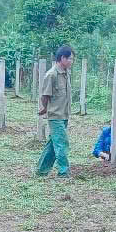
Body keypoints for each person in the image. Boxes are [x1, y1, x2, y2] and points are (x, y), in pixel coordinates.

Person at [36, 45, 74, 178]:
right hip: (55, 116)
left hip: (64, 115)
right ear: (62, 58)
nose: (71, 61)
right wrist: (45, 109)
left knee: (53, 144)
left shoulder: (66, 73)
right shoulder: (51, 75)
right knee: (62, 143)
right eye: (70, 59)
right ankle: (63, 172)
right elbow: (45, 95)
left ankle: (41, 170)